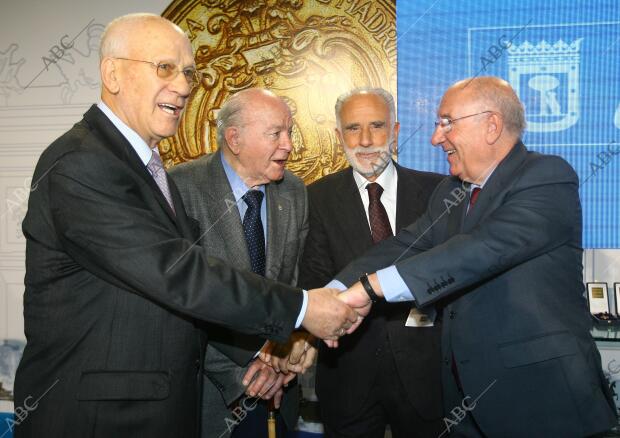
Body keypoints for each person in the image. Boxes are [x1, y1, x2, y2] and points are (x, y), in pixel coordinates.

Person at [13, 13, 357, 438]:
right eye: (164, 68)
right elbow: (179, 274)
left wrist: (266, 353)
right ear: (112, 73)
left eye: (188, 72)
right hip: (101, 420)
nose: (182, 85)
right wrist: (302, 308)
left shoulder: (145, 167)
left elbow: (184, 305)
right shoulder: (81, 163)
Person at [334, 77, 617, 437]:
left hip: (543, 405)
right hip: (465, 409)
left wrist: (369, 289)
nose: (437, 138)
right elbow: (405, 245)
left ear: (492, 125)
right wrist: (334, 290)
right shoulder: (450, 192)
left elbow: (478, 251)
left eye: (447, 122)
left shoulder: (547, 177)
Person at [298, 87, 445, 437]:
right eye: (352, 128)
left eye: (377, 126)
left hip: (427, 375)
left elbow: (446, 274)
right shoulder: (315, 197)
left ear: (395, 131)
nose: (365, 140)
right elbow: (314, 279)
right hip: (348, 376)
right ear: (338, 136)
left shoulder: (438, 192)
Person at [170, 88, 315, 438]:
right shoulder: (180, 189)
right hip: (210, 392)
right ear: (234, 139)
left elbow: (296, 285)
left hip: (279, 392)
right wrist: (250, 369)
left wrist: (285, 353)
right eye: (275, 134)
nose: (289, 145)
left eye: (289, 132)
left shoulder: (294, 192)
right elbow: (181, 303)